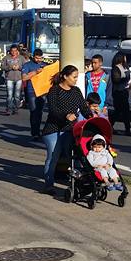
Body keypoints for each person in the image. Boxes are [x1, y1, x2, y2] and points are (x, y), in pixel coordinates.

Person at [41, 65, 91, 194]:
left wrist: (91, 117)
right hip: (53, 129)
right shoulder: (54, 91)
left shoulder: (76, 91)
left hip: (70, 130)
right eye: (74, 77)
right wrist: (66, 116)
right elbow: (53, 110)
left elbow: (84, 108)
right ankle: (49, 184)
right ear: (65, 76)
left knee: (75, 156)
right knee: (53, 156)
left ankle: (79, 183)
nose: (75, 80)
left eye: (77, 77)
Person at [21, 49, 47, 140]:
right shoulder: (27, 65)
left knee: (39, 112)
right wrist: (36, 72)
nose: (39, 60)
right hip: (31, 90)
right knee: (33, 111)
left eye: (40, 58)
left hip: (42, 91)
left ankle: (38, 131)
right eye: (37, 58)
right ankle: (34, 132)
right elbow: (24, 78)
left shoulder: (45, 65)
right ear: (33, 56)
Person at [110, 54, 131, 136]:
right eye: (124, 57)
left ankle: (127, 128)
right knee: (119, 110)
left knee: (124, 111)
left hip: (124, 91)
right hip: (118, 92)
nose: (126, 58)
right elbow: (116, 80)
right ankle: (111, 125)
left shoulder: (125, 67)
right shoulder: (116, 68)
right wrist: (126, 79)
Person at [1, 45, 25, 115]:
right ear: (10, 51)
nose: (14, 52)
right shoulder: (6, 58)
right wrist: (10, 67)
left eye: (15, 50)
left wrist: (19, 67)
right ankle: (8, 109)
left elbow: (25, 67)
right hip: (9, 78)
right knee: (9, 95)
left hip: (19, 78)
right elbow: (2, 67)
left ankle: (16, 108)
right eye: (12, 51)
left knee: (17, 95)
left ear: (17, 51)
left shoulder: (21, 58)